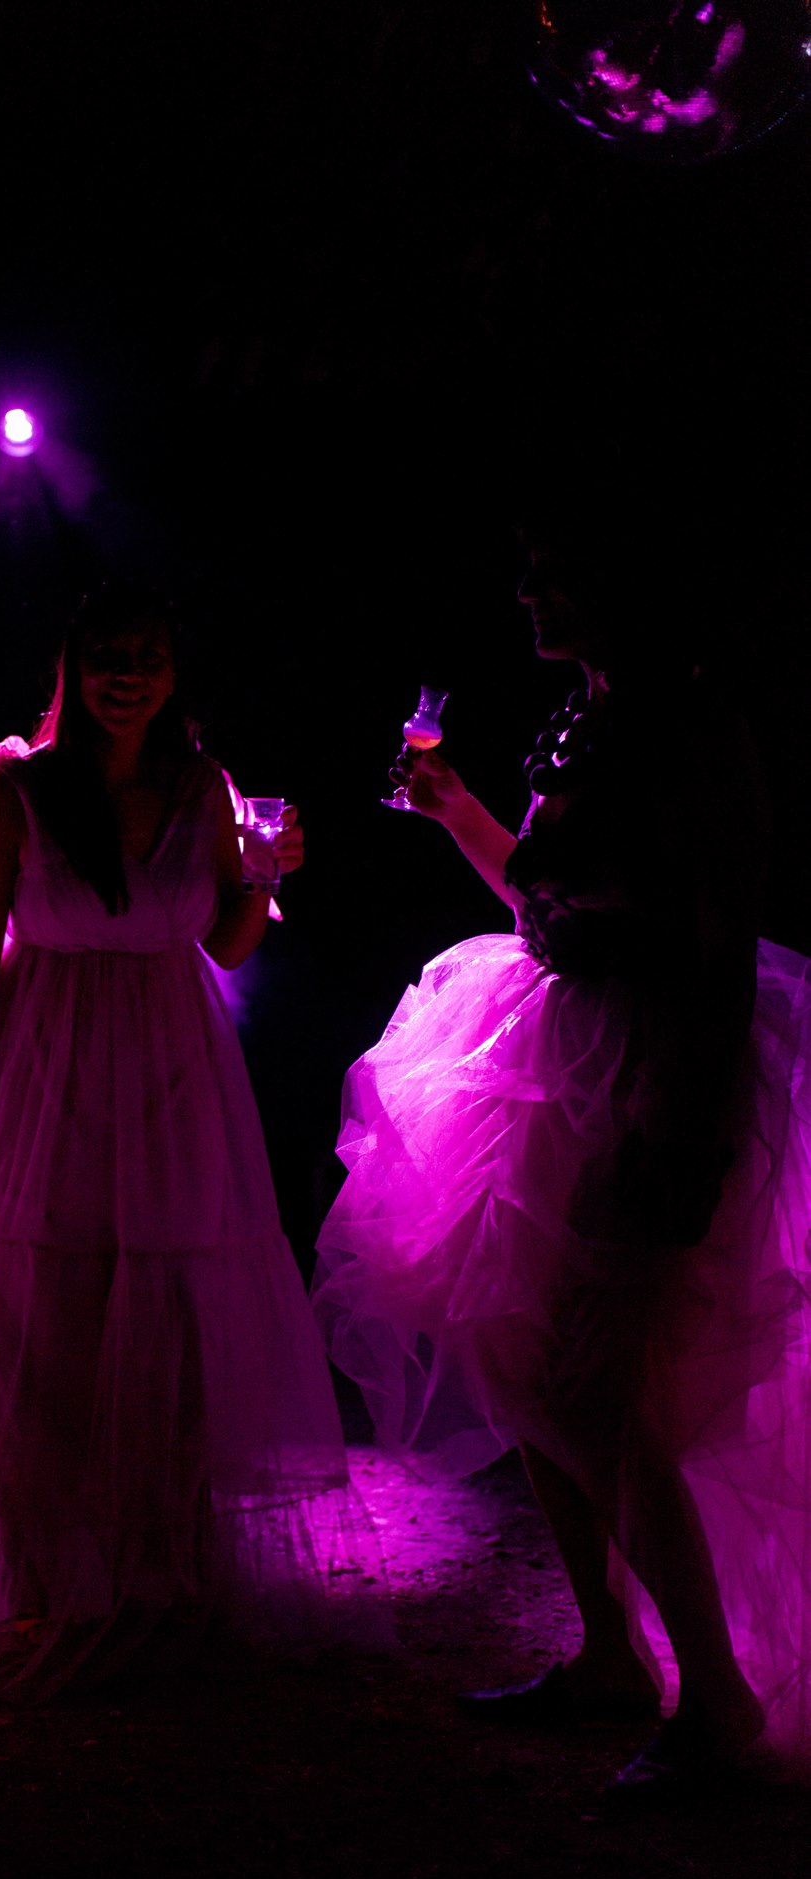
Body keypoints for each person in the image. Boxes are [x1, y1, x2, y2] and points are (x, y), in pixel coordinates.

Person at [0, 582, 380, 1696]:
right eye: (108, 654)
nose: (127, 673)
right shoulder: (18, 793)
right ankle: (46, 1578)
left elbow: (227, 945)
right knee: (45, 1317)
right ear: (73, 667)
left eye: (147, 655)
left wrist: (266, 872)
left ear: (173, 672)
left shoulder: (201, 784)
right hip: (44, 1065)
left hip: (171, 1067)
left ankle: (165, 1567)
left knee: (170, 1310)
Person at [312, 515, 811, 1790]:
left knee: (598, 1384)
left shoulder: (691, 733)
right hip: (560, 1046)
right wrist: (454, 808)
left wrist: (679, 1127)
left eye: (553, 575)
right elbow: (539, 899)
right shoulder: (587, 718)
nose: (527, 592)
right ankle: (605, 1652)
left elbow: (712, 943)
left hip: (649, 1061)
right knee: (525, 1355)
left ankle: (717, 1698)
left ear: (619, 588)